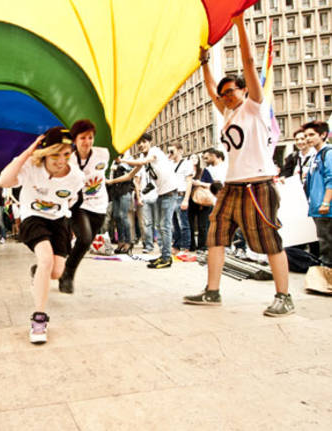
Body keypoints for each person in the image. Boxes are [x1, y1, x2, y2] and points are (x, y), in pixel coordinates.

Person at [184, 13, 294, 316]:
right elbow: (209, 90)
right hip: (232, 187)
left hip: (258, 185)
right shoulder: (229, 113)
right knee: (216, 234)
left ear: (244, 90)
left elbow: (247, 62)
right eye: (224, 94)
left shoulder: (255, 106)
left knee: (269, 240)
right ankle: (212, 291)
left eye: (231, 91)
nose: (226, 96)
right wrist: (205, 63)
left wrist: (240, 25)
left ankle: (284, 296)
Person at [0, 127, 85, 344]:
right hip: (33, 217)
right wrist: (28, 152)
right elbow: (4, 181)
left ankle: (38, 272)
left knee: (55, 272)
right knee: (46, 258)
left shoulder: (76, 177)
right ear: (45, 152)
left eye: (66, 155)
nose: (61, 161)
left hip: (59, 220)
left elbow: (72, 201)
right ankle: (39, 320)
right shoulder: (31, 166)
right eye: (55, 154)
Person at [55, 120, 109, 293]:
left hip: (99, 206)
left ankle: (47, 269)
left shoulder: (104, 154)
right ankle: (67, 275)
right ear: (75, 140)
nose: (87, 142)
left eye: (90, 137)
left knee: (83, 244)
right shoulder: (68, 158)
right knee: (84, 238)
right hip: (78, 205)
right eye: (83, 138)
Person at [126, 133, 179, 268]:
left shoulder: (155, 151)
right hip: (161, 194)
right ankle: (164, 255)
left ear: (150, 142)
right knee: (160, 226)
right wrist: (110, 181)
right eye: (138, 143)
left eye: (143, 142)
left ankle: (167, 258)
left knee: (164, 226)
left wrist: (122, 161)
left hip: (170, 192)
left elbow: (142, 162)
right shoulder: (144, 157)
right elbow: (131, 175)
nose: (141, 145)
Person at [303, 121, 332, 273]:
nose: (308, 138)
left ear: (322, 135)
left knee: (327, 245)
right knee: (323, 244)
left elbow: (331, 179)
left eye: (311, 135)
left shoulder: (328, 153)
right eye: (306, 135)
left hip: (326, 209)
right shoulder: (316, 155)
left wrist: (326, 203)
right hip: (317, 207)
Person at [168, 142, 194, 254]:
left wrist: (186, 199)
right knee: (174, 224)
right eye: (169, 151)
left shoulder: (187, 164)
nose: (170, 153)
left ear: (179, 151)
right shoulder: (169, 164)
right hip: (171, 196)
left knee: (183, 223)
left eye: (172, 151)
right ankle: (176, 245)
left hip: (181, 195)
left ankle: (185, 247)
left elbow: (189, 182)